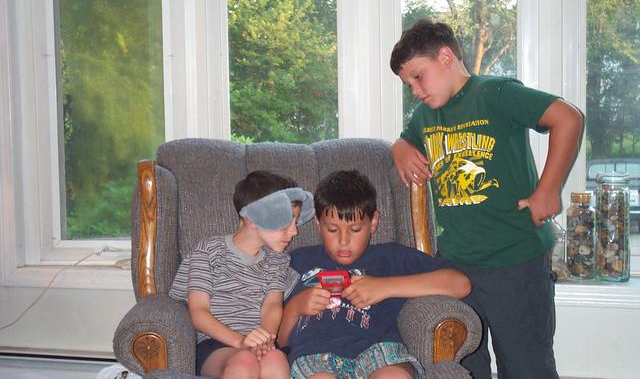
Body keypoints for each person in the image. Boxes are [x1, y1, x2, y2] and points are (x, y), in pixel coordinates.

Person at [389, 19, 584, 379]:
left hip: (515, 260)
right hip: (457, 265)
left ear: (446, 57)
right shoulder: (425, 115)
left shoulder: (495, 93)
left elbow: (568, 118)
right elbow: (407, 139)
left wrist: (548, 189)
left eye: (418, 77)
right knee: (466, 366)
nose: (415, 90)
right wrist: (399, 148)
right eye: (408, 84)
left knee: (526, 367)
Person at [278, 169, 471, 379]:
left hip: (379, 351)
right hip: (315, 354)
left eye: (355, 229)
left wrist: (384, 287)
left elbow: (460, 284)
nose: (343, 241)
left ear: (373, 222)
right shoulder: (298, 261)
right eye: (332, 230)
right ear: (318, 224)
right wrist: (296, 306)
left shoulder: (390, 257)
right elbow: (280, 340)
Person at [169, 170, 315, 379]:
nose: (294, 232)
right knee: (245, 360)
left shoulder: (278, 260)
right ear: (253, 219)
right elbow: (199, 312)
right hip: (217, 344)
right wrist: (240, 341)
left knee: (275, 359)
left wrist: (265, 341)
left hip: (258, 343)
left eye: (295, 222)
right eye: (286, 222)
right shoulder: (209, 251)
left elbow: (272, 305)